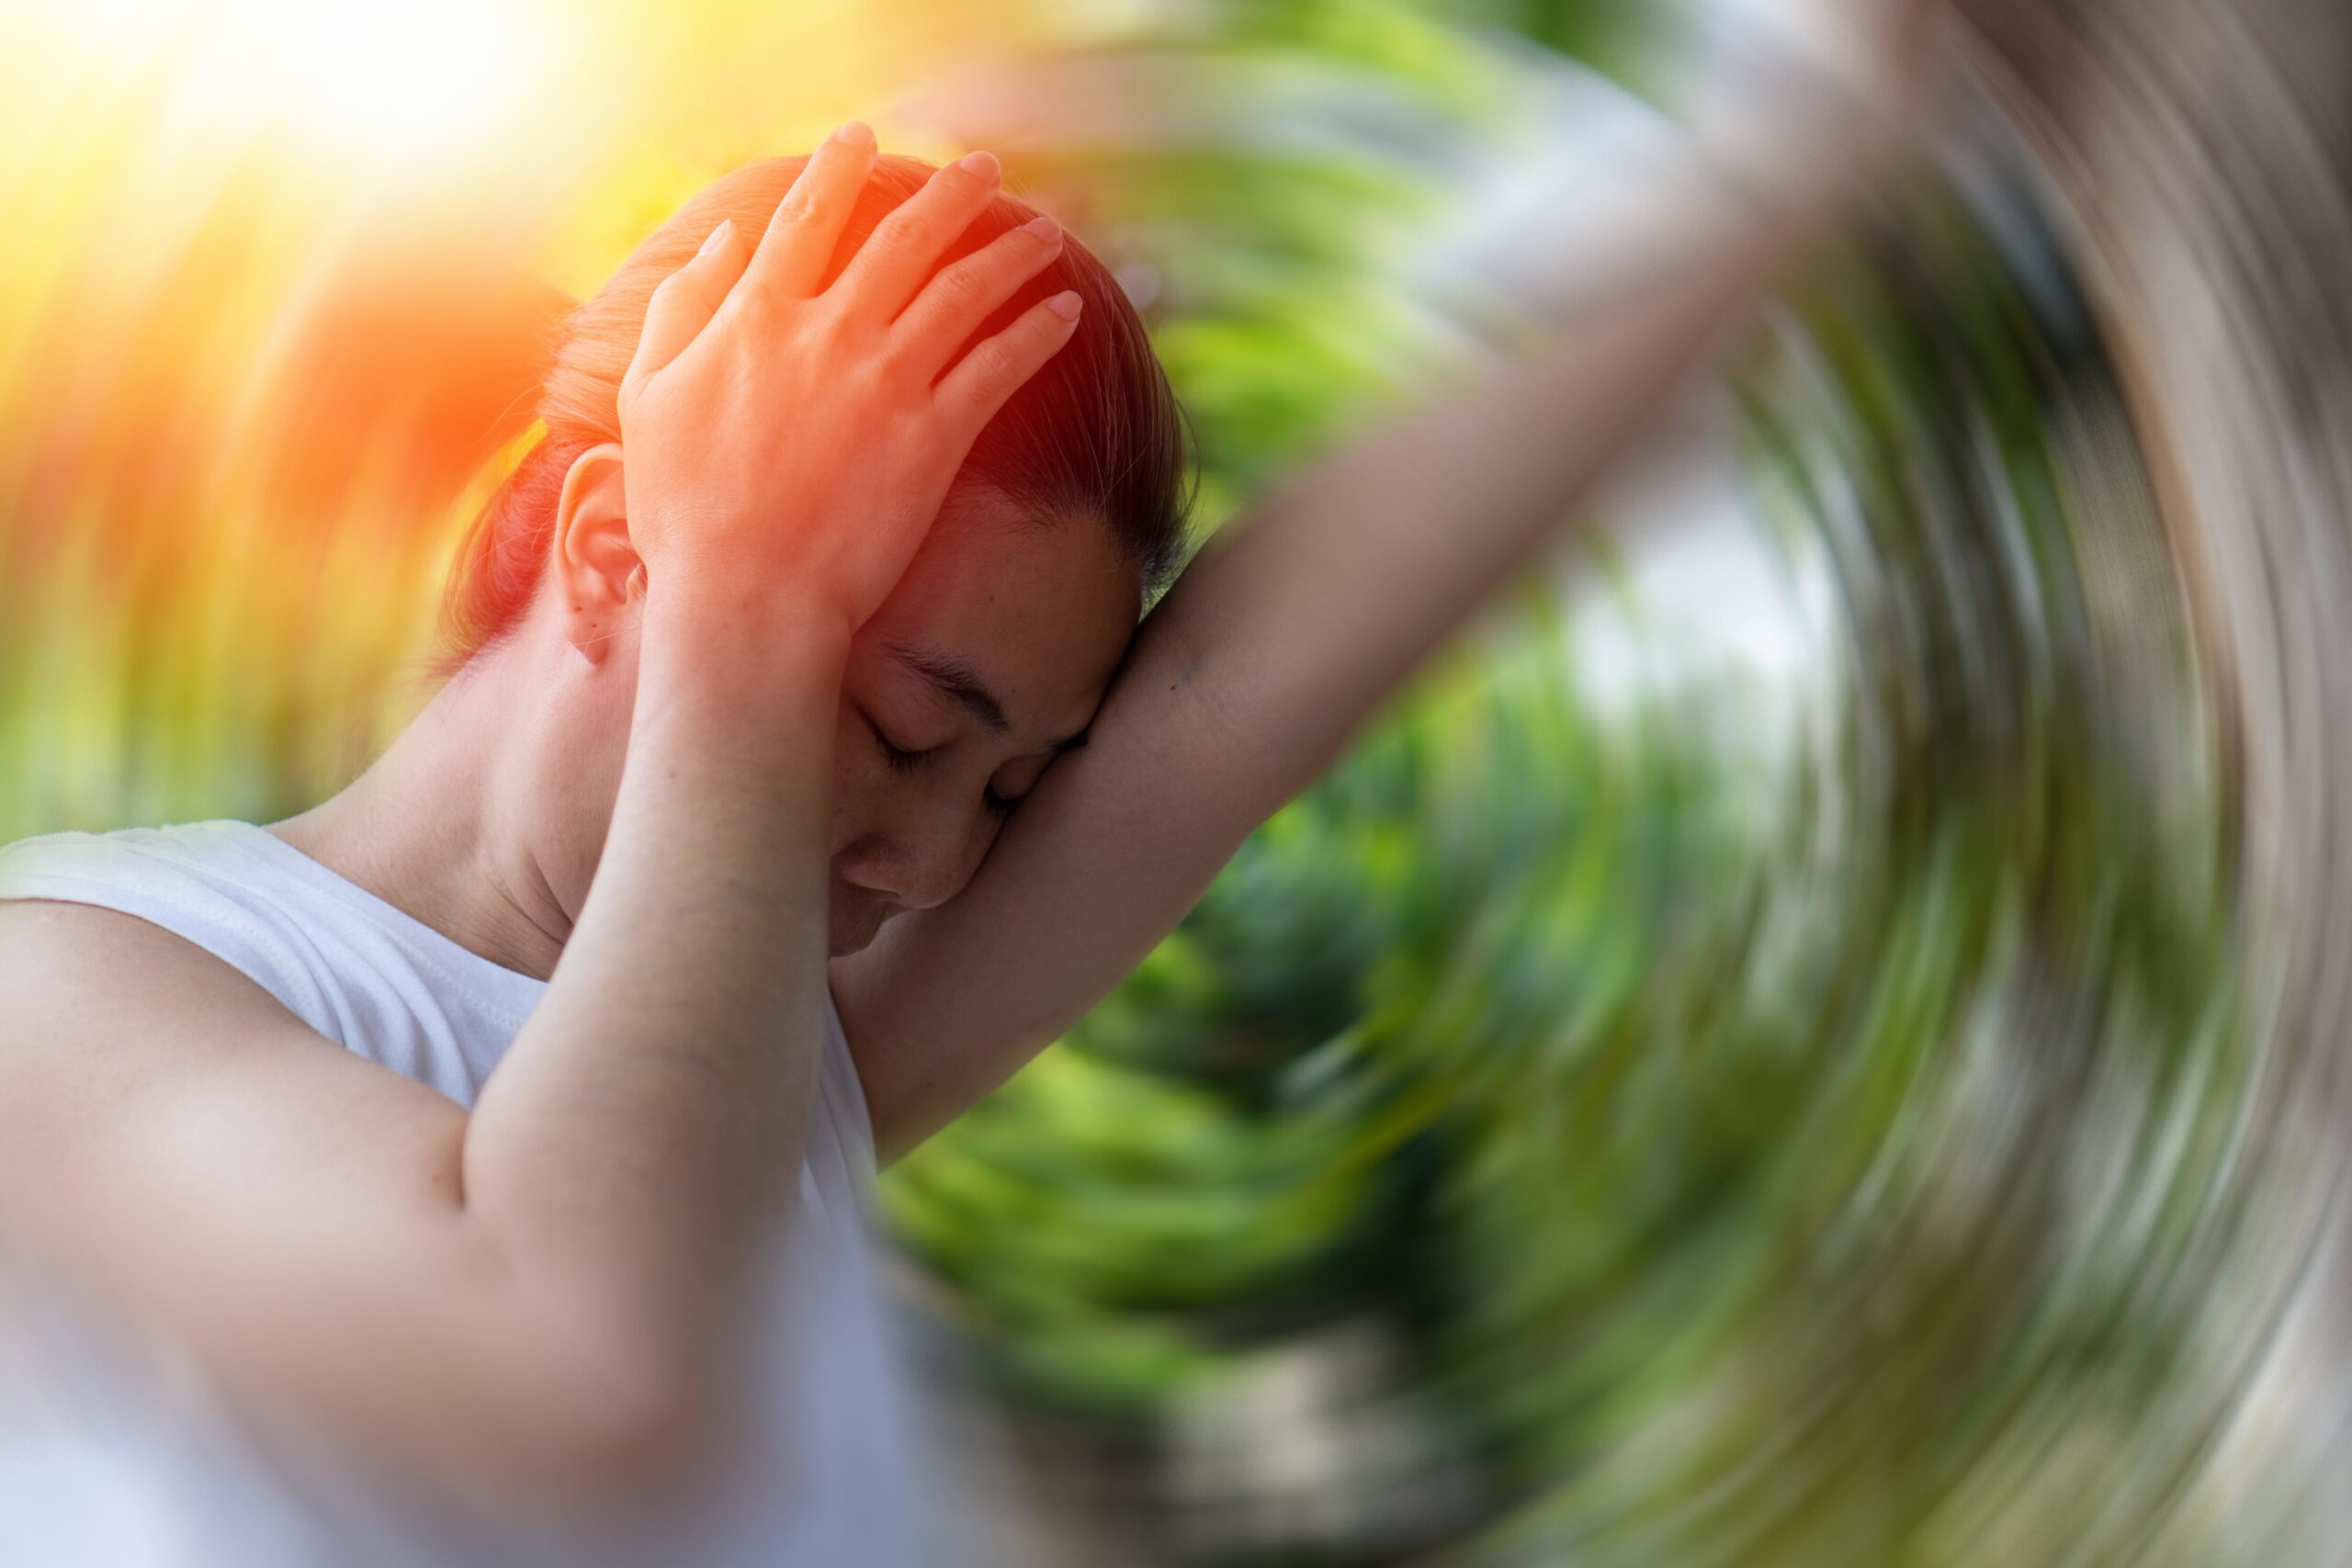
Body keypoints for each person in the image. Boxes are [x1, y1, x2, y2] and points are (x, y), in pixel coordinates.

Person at [0, 8, 1937, 1563]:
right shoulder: (71, 980)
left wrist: (1851, 119)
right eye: (913, 728)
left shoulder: (767, 1060)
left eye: (1006, 789)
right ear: (614, 556)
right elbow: (567, 1351)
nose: (934, 860)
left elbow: (1251, 691)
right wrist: (754, 606)